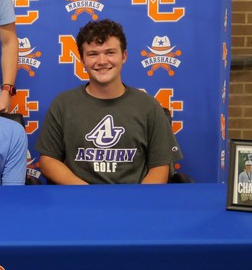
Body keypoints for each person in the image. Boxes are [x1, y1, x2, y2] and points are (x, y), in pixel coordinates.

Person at [37, 19, 182, 184]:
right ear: (82, 60)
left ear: (124, 56)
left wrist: (138, 201)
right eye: (93, 54)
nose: (102, 61)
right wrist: (87, 194)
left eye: (110, 52)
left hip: (134, 203)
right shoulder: (63, 104)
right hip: (79, 203)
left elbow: (160, 166)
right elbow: (48, 161)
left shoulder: (148, 106)